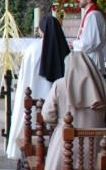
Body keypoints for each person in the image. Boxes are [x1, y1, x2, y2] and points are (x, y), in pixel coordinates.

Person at [6, 15, 70, 159]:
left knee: (30, 120)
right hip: (58, 106)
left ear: (42, 30)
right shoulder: (65, 50)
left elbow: (25, 77)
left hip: (34, 97)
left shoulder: (33, 49)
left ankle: (28, 156)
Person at [72, 0, 106, 73]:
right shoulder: (93, 14)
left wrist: (74, 43)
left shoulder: (92, 16)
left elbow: (89, 43)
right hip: (89, 59)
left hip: (91, 60)